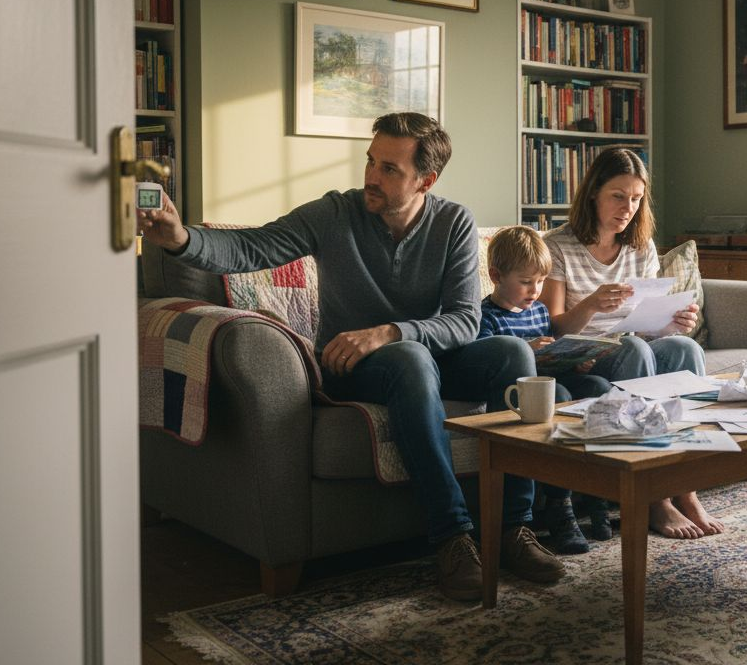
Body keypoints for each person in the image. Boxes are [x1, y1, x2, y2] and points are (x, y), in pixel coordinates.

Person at [136, 112, 564, 602]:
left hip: (421, 356)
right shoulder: (335, 214)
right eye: (371, 161)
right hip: (353, 369)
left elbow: (465, 321)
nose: (371, 177)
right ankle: (452, 536)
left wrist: (389, 331)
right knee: (410, 360)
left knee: (512, 354)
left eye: (389, 169)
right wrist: (179, 238)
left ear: (427, 179)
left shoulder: (454, 222)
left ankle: (514, 528)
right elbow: (251, 246)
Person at [539, 148, 726, 540]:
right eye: (618, 196)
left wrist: (673, 323)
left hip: (632, 345)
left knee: (685, 349)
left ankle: (685, 488)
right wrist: (591, 304)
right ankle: (652, 498)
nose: (628, 208)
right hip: (585, 356)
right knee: (634, 350)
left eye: (636, 198)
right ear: (593, 193)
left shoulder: (641, 247)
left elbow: (647, 328)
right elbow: (554, 329)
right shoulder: (557, 245)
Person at [477, 225, 615, 554]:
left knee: (599, 387)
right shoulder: (487, 316)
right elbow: (488, 360)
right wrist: (529, 349)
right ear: (496, 276)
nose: (535, 290)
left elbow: (554, 352)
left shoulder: (539, 311)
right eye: (526, 282)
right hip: (525, 389)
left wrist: (574, 360)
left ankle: (599, 492)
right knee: (562, 398)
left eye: (540, 281)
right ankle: (559, 506)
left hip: (553, 378)